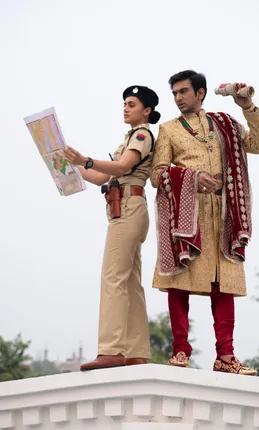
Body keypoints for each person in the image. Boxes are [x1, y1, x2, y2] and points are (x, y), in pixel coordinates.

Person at [150, 70, 259, 375]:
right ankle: (179, 351)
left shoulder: (224, 124)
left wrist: (247, 107)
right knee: (180, 281)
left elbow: (258, 145)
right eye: (174, 93)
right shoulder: (168, 130)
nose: (178, 98)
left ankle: (225, 357)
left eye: (183, 92)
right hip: (186, 215)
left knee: (224, 285)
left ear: (200, 93)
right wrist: (189, 178)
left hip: (227, 214)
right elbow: (156, 175)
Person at [63, 85, 160, 370]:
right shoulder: (129, 138)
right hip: (126, 208)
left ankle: (112, 350)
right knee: (129, 282)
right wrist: (69, 164)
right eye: (125, 104)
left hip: (127, 209)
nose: (126, 108)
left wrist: (86, 159)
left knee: (113, 279)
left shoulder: (141, 135)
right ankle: (135, 351)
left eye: (132, 104)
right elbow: (100, 177)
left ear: (146, 111)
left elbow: (122, 167)